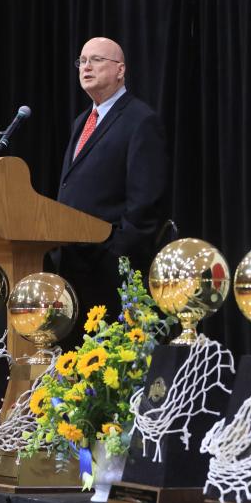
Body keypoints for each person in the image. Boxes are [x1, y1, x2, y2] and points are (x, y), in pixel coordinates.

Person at [55, 37, 170, 348]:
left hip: (110, 270)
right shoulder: (83, 121)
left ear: (120, 70)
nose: (86, 67)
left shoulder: (140, 120)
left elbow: (146, 202)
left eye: (96, 60)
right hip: (73, 266)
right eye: (82, 61)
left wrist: (118, 252)